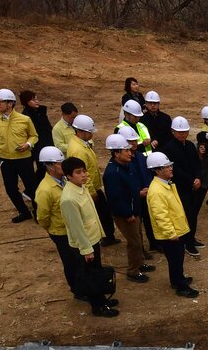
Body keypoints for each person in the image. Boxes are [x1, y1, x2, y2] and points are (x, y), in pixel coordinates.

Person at [60, 155, 118, 317]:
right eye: (78, 172)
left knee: (96, 272)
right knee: (91, 276)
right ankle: (98, 306)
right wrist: (86, 250)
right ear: (68, 176)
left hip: (92, 239)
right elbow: (76, 227)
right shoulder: (69, 198)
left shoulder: (81, 188)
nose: (84, 174)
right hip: (85, 245)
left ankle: (101, 300)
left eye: (84, 171)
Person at [145, 152, 200, 298]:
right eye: (166, 166)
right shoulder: (157, 191)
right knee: (175, 259)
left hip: (176, 230)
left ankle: (178, 279)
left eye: (170, 165)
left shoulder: (164, 185)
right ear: (157, 170)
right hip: (171, 234)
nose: (170, 168)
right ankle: (180, 285)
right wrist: (171, 234)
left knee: (178, 258)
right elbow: (161, 216)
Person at [103, 133, 155, 283]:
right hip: (126, 214)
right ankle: (133, 271)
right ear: (116, 153)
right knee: (134, 242)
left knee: (138, 237)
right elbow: (115, 198)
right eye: (125, 150)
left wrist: (138, 193)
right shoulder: (113, 173)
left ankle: (139, 263)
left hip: (134, 209)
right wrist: (127, 214)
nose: (130, 152)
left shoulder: (126, 165)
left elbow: (129, 188)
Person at [33, 145, 81, 299]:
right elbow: (42, 216)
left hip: (73, 229)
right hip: (60, 232)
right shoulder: (45, 190)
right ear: (49, 166)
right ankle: (78, 291)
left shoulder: (65, 180)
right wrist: (51, 228)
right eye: (59, 164)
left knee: (80, 261)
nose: (63, 166)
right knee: (71, 263)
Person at [65, 114, 117, 245]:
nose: (92, 135)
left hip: (93, 185)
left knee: (104, 213)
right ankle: (105, 237)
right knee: (100, 214)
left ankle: (108, 235)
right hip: (90, 188)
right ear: (81, 131)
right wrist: (92, 191)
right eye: (90, 132)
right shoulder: (78, 150)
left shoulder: (81, 144)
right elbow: (83, 173)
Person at [0, 87, 38, 222]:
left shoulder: (25, 119)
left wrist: (27, 144)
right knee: (10, 189)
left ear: (10, 103)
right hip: (6, 160)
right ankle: (24, 212)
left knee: (32, 188)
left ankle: (39, 212)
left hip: (24, 159)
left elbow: (34, 136)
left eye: (0, 101)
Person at [163, 115, 205, 254]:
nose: (183, 134)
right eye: (180, 132)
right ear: (173, 132)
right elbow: (175, 170)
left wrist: (198, 178)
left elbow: (197, 164)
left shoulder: (190, 145)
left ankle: (191, 238)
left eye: (185, 132)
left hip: (193, 186)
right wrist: (192, 180)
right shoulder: (169, 149)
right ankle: (187, 242)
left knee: (193, 214)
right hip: (180, 188)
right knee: (185, 215)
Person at [20, 91, 55, 185]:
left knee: (46, 167)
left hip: (47, 143)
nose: (36, 101)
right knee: (43, 168)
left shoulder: (41, 112)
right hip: (37, 146)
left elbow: (47, 128)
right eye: (33, 99)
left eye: (37, 99)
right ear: (26, 102)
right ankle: (31, 189)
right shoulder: (26, 116)